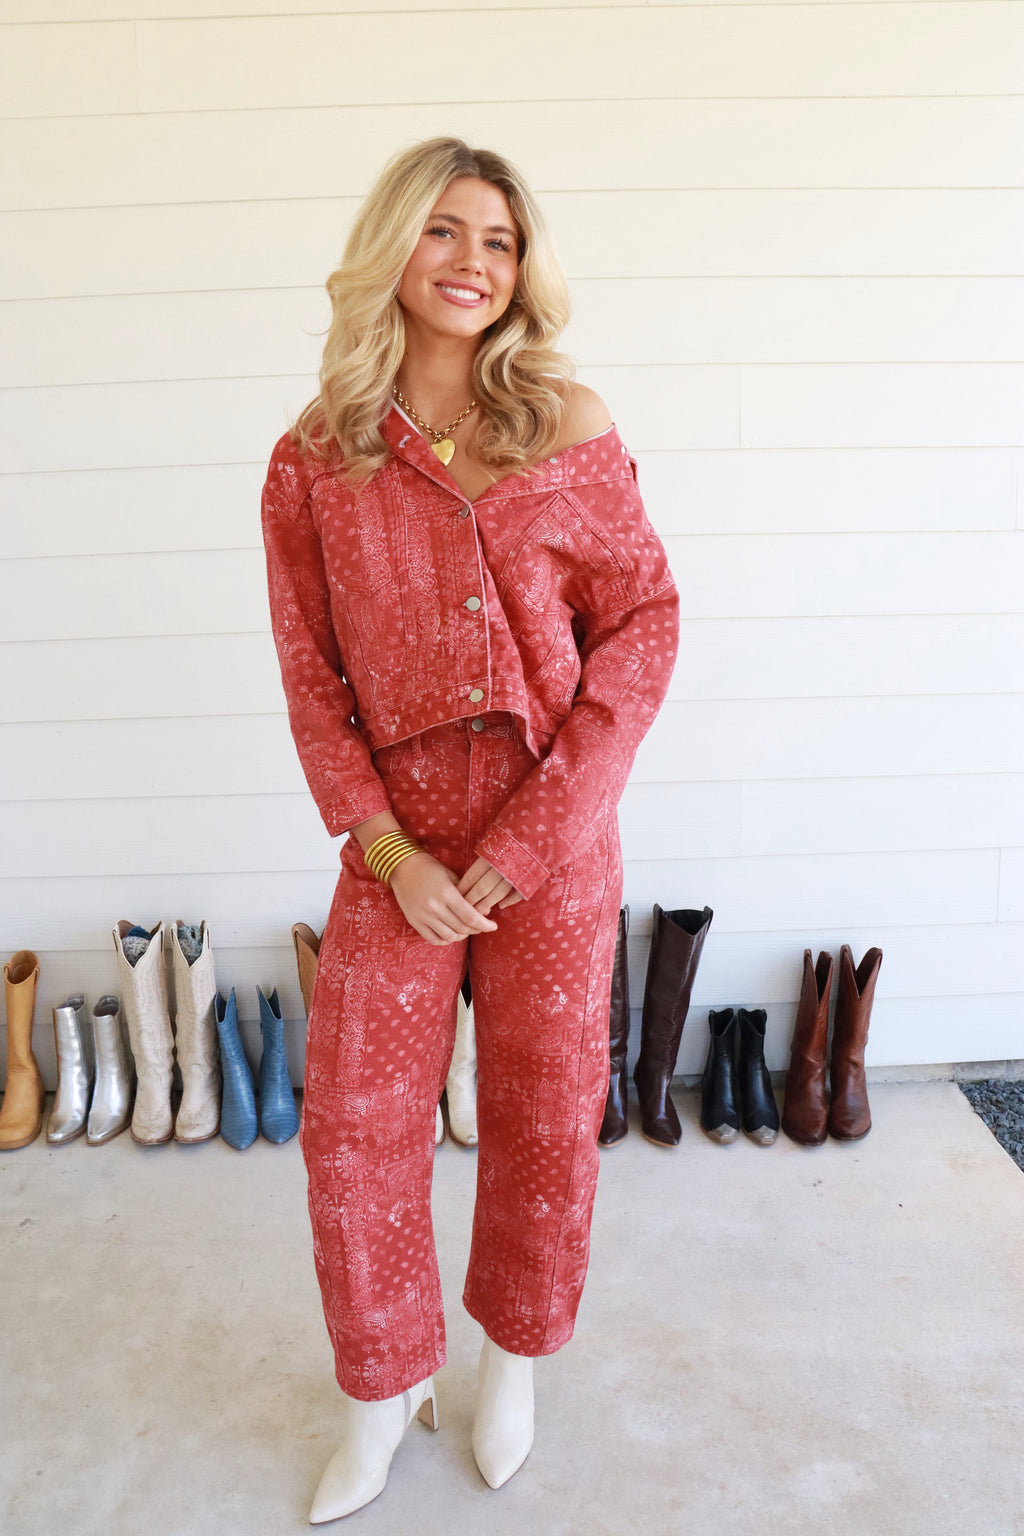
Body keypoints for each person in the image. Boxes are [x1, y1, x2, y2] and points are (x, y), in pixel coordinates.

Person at [261, 137, 679, 1523]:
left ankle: (511, 1366)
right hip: (396, 852)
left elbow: (641, 629)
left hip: (548, 841)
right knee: (358, 1126)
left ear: (523, 268)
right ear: (394, 247)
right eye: (444, 233)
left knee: (548, 1111)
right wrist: (391, 854)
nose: (471, 263)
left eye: (498, 241)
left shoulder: (565, 424)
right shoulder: (316, 459)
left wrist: (534, 836)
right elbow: (312, 680)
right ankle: (380, 1394)